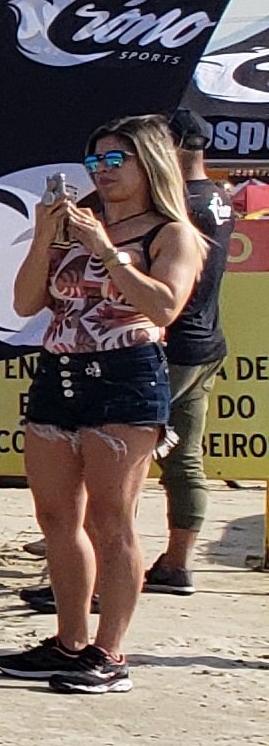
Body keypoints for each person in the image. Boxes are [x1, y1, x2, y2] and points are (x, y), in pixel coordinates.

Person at [0, 115, 205, 697]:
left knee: (112, 515)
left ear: (149, 165)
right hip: (59, 371)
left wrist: (107, 251)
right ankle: (70, 639)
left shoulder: (170, 233)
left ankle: (111, 652)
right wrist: (45, 234)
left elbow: (163, 307)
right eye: (95, 164)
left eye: (116, 162)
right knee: (56, 515)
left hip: (126, 374)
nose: (103, 175)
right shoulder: (81, 222)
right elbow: (26, 300)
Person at [150, 111, 231, 597]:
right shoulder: (218, 197)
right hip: (206, 341)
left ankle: (90, 571)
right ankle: (177, 563)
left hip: (171, 343)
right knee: (184, 459)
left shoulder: (176, 205)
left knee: (120, 458)